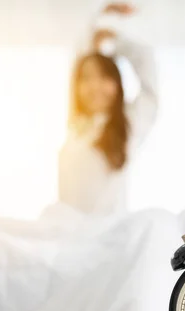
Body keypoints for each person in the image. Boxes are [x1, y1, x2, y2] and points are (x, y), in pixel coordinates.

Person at [58, 3, 158, 216]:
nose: (95, 86)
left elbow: (146, 66)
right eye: (86, 79)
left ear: (117, 85)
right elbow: (79, 60)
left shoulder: (129, 123)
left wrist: (115, 39)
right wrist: (98, 20)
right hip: (67, 235)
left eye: (104, 77)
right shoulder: (76, 126)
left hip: (108, 238)